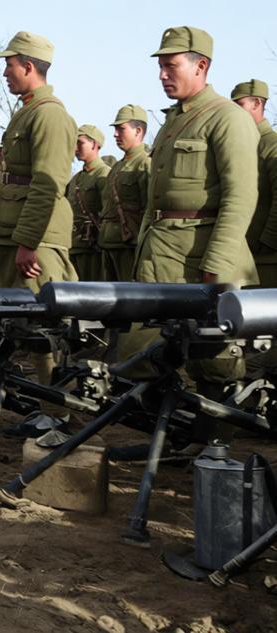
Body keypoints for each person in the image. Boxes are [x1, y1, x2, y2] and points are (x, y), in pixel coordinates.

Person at [135, 26, 259, 442]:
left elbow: (241, 196)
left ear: (201, 66)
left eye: (171, 66)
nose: (162, 75)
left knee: (214, 359)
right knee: (155, 349)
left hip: (201, 257)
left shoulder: (227, 118)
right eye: (160, 67)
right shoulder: (174, 121)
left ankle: (212, 450)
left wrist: (218, 265)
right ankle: (171, 442)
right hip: (162, 254)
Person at [0, 32, 77, 384]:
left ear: (28, 66)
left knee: (45, 328)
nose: (5, 73)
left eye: (10, 65)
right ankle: (44, 401)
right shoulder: (29, 112)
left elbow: (47, 184)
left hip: (35, 237)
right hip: (15, 230)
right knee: (24, 324)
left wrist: (28, 240)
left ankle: (59, 406)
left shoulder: (49, 115)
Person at [232, 80, 277, 288]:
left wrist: (266, 241)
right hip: (241, 251)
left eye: (239, 105)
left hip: (265, 259)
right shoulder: (240, 144)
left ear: (257, 104)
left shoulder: (271, 145)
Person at [98, 105, 150, 282]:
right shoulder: (117, 167)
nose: (115, 134)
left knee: (130, 294)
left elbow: (148, 209)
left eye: (121, 129)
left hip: (130, 246)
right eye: (115, 129)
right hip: (109, 243)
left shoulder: (145, 164)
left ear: (138, 131)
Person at [66, 124, 110, 281]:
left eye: (80, 143)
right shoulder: (76, 178)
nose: (75, 148)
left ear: (94, 144)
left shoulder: (104, 174)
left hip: (93, 247)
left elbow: (108, 211)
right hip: (74, 245)